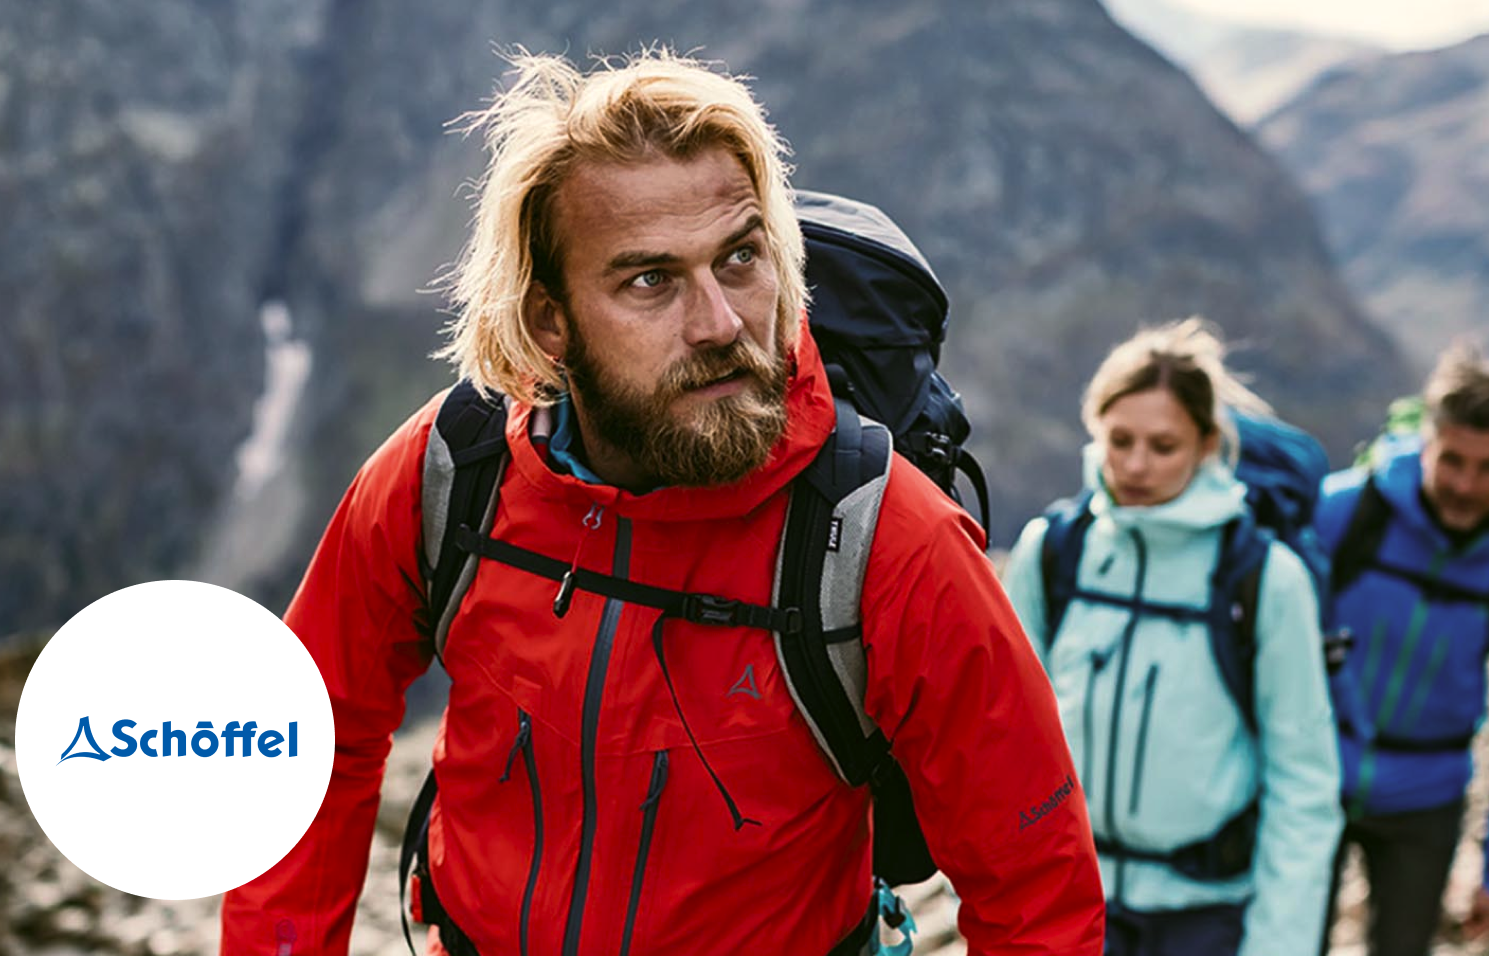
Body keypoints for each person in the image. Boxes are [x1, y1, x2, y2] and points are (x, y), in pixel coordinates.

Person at [218, 50, 1106, 956]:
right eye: (651, 280)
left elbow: (1037, 888)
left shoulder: (888, 540)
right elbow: (306, 735)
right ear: (548, 320)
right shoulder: (454, 470)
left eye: (742, 257)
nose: (721, 322)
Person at [1002, 320, 1343, 956]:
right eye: (1119, 439)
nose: (1135, 465)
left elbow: (1304, 781)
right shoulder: (1053, 553)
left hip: (1206, 916)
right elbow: (1007, 742)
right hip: (1072, 898)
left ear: (1207, 444)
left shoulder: (1263, 579)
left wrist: (1279, 945)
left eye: (1163, 446)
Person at [1316, 345, 1489, 956]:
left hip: (1427, 797)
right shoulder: (1344, 513)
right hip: (1312, 775)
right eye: (1451, 459)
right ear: (1425, 440)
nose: (1464, 485)